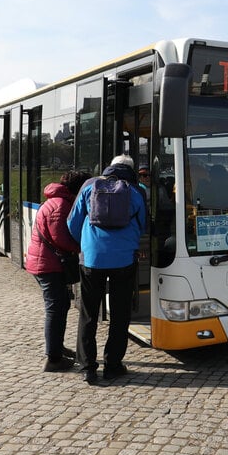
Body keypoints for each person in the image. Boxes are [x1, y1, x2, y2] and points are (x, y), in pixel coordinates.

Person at [67, 154, 148, 385]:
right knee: (121, 314)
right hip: (124, 259)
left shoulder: (89, 185)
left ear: (110, 166)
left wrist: (87, 245)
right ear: (131, 170)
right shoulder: (137, 190)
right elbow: (142, 225)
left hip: (92, 259)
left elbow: (72, 222)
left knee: (89, 314)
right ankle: (113, 366)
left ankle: (87, 367)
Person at [26, 170, 90, 372]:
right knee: (56, 309)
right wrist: (82, 246)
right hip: (49, 265)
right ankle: (53, 359)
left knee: (59, 307)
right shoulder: (61, 205)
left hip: (45, 262)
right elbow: (61, 238)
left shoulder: (56, 201)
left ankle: (56, 348)